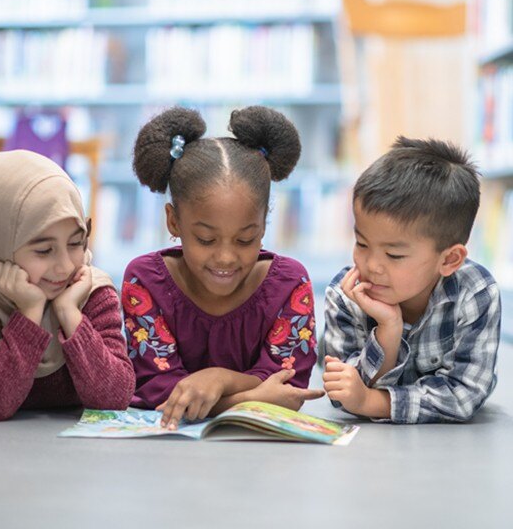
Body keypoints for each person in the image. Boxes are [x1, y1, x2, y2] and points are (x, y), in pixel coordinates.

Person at [122, 106, 323, 431]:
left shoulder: (290, 284)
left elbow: (287, 387)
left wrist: (216, 379)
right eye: (205, 239)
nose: (226, 258)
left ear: (263, 225)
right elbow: (159, 391)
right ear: (174, 221)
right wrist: (250, 399)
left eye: (245, 240)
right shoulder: (144, 281)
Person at [0, 150, 135, 420]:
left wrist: (70, 314)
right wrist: (30, 312)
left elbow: (115, 396)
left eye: (76, 243)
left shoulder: (90, 290)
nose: (65, 267)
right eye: (44, 250)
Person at [322, 136, 501, 423]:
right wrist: (388, 331)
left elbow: (463, 395)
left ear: (449, 260)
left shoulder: (475, 292)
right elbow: (342, 392)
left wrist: (371, 402)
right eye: (362, 243)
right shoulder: (346, 293)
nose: (371, 265)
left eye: (393, 255)